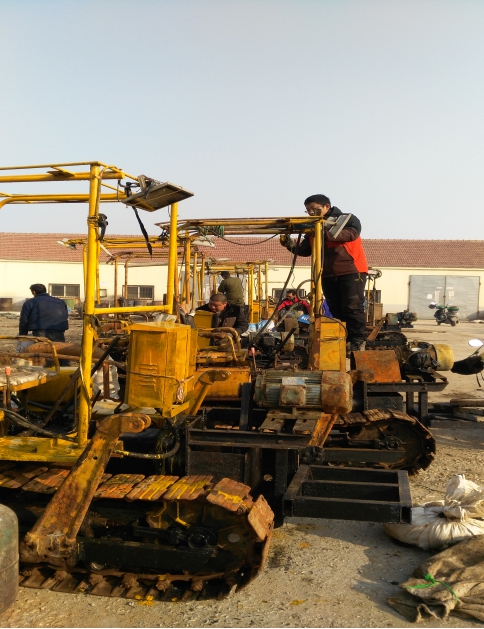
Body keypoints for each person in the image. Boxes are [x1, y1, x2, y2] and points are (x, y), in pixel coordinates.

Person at [280, 194, 368, 354]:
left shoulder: (346, 219)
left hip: (351, 270)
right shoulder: (313, 228)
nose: (311, 213)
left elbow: (350, 235)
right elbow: (305, 249)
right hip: (327, 273)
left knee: (352, 306)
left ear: (327, 206)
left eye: (315, 209)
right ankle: (343, 338)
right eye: (308, 210)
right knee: (336, 308)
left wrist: (321, 230)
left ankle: (357, 340)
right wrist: (290, 245)